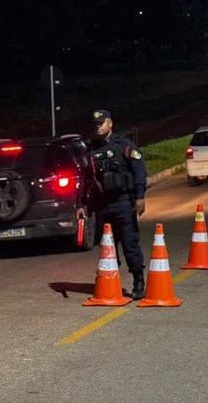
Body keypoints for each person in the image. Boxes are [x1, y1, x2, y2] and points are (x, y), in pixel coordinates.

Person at [86, 110, 147, 300]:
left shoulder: (124, 145)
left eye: (101, 123)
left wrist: (139, 196)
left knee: (130, 244)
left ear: (110, 123)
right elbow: (87, 179)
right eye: (96, 124)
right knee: (107, 247)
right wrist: (82, 204)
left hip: (123, 203)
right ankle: (111, 281)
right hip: (103, 206)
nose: (98, 126)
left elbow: (139, 169)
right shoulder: (91, 150)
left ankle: (138, 281)